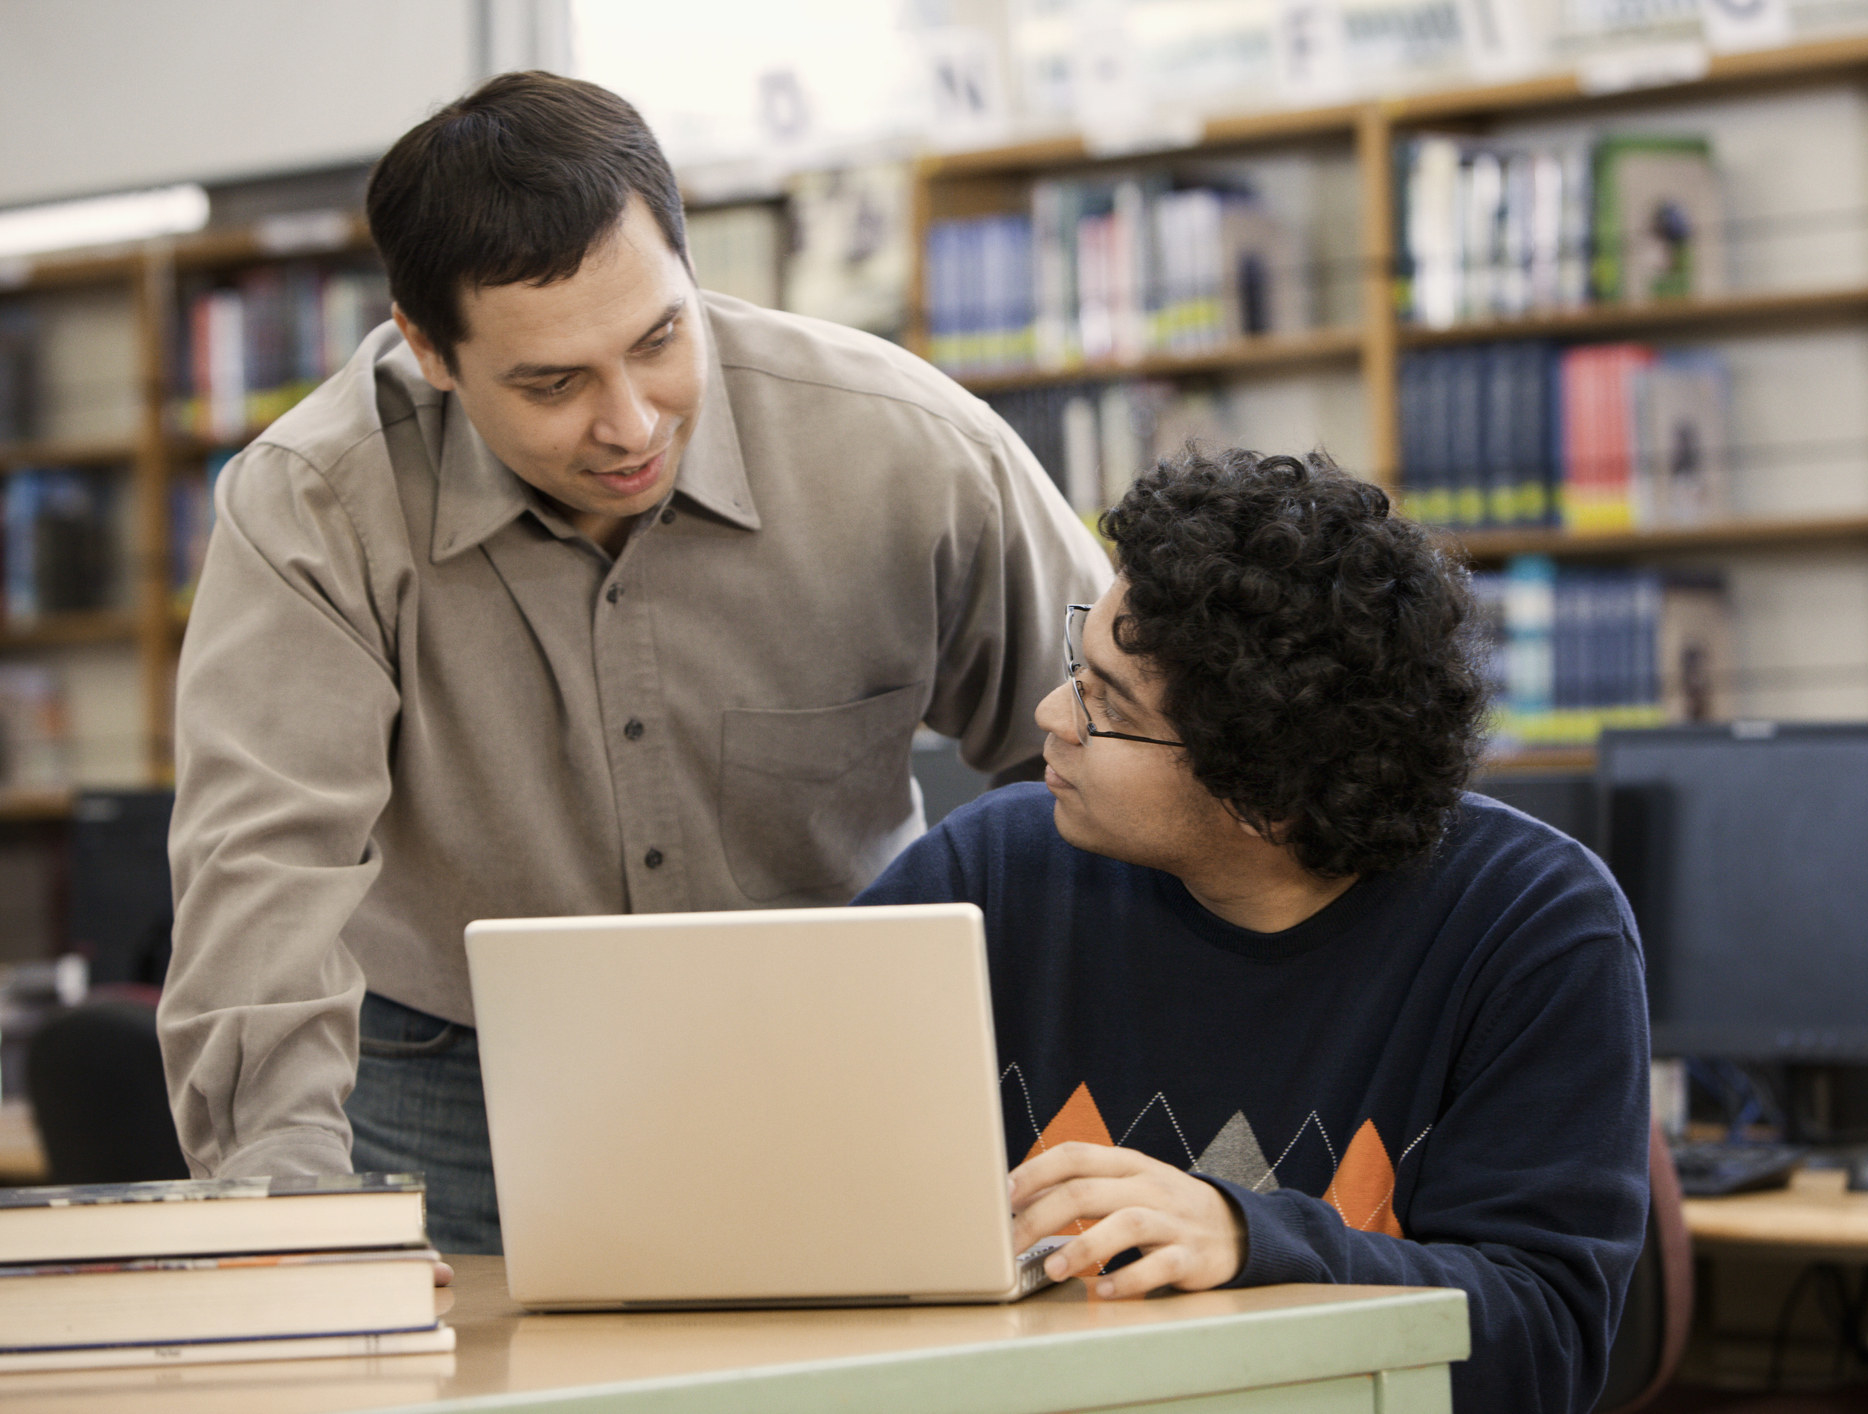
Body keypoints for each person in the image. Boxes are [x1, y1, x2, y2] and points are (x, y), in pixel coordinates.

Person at [159, 71, 1110, 1254]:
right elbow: (263, 868)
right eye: (552, 382)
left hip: (836, 1033)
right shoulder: (315, 503)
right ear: (429, 348)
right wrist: (291, 1210)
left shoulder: (908, 448)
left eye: (659, 338)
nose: (632, 422)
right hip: (449, 1067)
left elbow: (1123, 748)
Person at [856, 447, 1649, 1414]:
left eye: (1107, 704)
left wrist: (1252, 1242)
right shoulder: (985, 873)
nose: (1050, 715)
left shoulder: (1533, 925)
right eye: (1080, 664)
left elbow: (1544, 1340)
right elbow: (782, 1155)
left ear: (1261, 790)